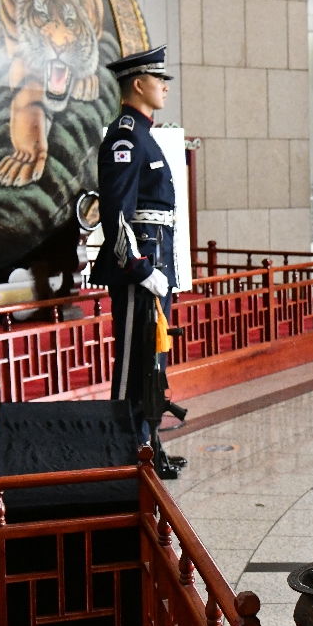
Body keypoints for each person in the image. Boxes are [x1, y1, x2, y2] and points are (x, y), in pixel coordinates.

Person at [90, 45, 187, 479]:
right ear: (138, 84)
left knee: (152, 361)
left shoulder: (145, 133)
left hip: (156, 259)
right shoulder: (126, 135)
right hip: (139, 268)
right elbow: (116, 212)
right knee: (133, 364)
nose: (165, 86)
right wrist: (142, 269)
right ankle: (127, 453)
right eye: (159, 79)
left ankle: (150, 447)